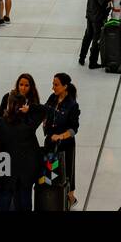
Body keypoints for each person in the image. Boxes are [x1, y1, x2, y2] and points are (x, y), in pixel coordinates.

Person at [0, 74, 45, 211]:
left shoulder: (1, 123)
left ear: (9, 105)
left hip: (5, 161)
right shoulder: (29, 123)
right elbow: (43, 111)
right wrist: (30, 110)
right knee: (24, 197)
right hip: (26, 164)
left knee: (4, 196)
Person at [42, 72, 80, 206]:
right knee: (50, 172)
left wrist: (60, 136)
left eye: (56, 85)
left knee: (66, 173)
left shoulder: (72, 105)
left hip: (65, 146)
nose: (53, 87)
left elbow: (74, 129)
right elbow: (44, 111)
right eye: (53, 84)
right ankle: (51, 200)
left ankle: (70, 198)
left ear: (65, 86)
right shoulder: (52, 98)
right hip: (51, 143)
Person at [80, 0, 111, 69]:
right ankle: (93, 62)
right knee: (97, 39)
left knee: (88, 35)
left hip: (90, 13)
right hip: (97, 16)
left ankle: (82, 57)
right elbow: (103, 1)